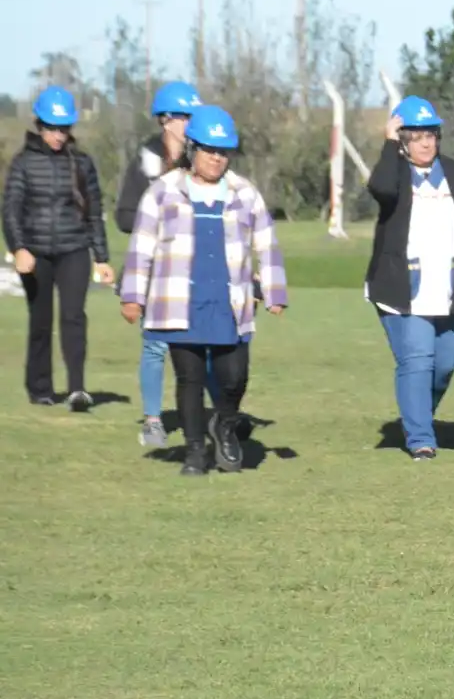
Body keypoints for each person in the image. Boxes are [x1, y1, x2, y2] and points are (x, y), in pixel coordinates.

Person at [119, 106, 287, 476]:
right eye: (209, 150)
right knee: (189, 378)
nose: (216, 158)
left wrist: (274, 291)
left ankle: (224, 423)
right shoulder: (163, 192)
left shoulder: (245, 194)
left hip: (230, 302)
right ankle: (195, 452)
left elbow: (266, 243)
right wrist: (132, 295)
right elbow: (141, 246)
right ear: (193, 149)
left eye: (223, 151)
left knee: (235, 376)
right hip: (179, 300)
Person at [365, 96, 454, 461]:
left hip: (448, 288)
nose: (425, 143)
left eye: (431, 135)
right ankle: (420, 438)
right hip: (401, 288)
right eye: (416, 136)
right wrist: (389, 143)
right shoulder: (394, 172)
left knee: (445, 364)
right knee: (417, 359)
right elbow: (382, 190)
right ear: (402, 139)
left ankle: (417, 413)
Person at [4, 86, 113, 409]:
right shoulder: (22, 163)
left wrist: (102, 257)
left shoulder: (81, 163)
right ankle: (40, 389)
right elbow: (10, 209)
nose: (58, 135)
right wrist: (19, 248)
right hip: (35, 254)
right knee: (40, 321)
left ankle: (77, 388)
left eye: (63, 128)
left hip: (74, 249)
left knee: (73, 316)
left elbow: (94, 210)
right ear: (40, 125)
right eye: (52, 127)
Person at [115, 80, 202, 446]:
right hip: (154, 267)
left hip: (194, 265)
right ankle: (153, 421)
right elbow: (123, 215)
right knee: (156, 345)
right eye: (186, 118)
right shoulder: (147, 160)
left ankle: (214, 417)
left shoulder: (203, 157)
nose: (191, 125)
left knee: (204, 343)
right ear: (166, 120)